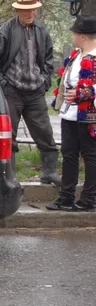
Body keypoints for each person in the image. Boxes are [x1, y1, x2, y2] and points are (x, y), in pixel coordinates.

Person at [0, 0, 61, 185]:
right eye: (26, 10)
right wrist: (3, 84)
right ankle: (9, 177)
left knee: (45, 133)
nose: (30, 13)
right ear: (18, 10)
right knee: (9, 136)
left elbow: (49, 59)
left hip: (35, 91)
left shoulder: (42, 30)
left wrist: (45, 81)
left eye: (33, 9)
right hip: (12, 91)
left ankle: (49, 172)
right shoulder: (5, 31)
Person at [47, 15, 96, 211]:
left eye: (74, 33)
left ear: (82, 35)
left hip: (89, 116)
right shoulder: (77, 55)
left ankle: (89, 198)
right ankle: (66, 197)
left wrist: (82, 93)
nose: (72, 36)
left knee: (91, 156)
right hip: (70, 114)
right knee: (68, 155)